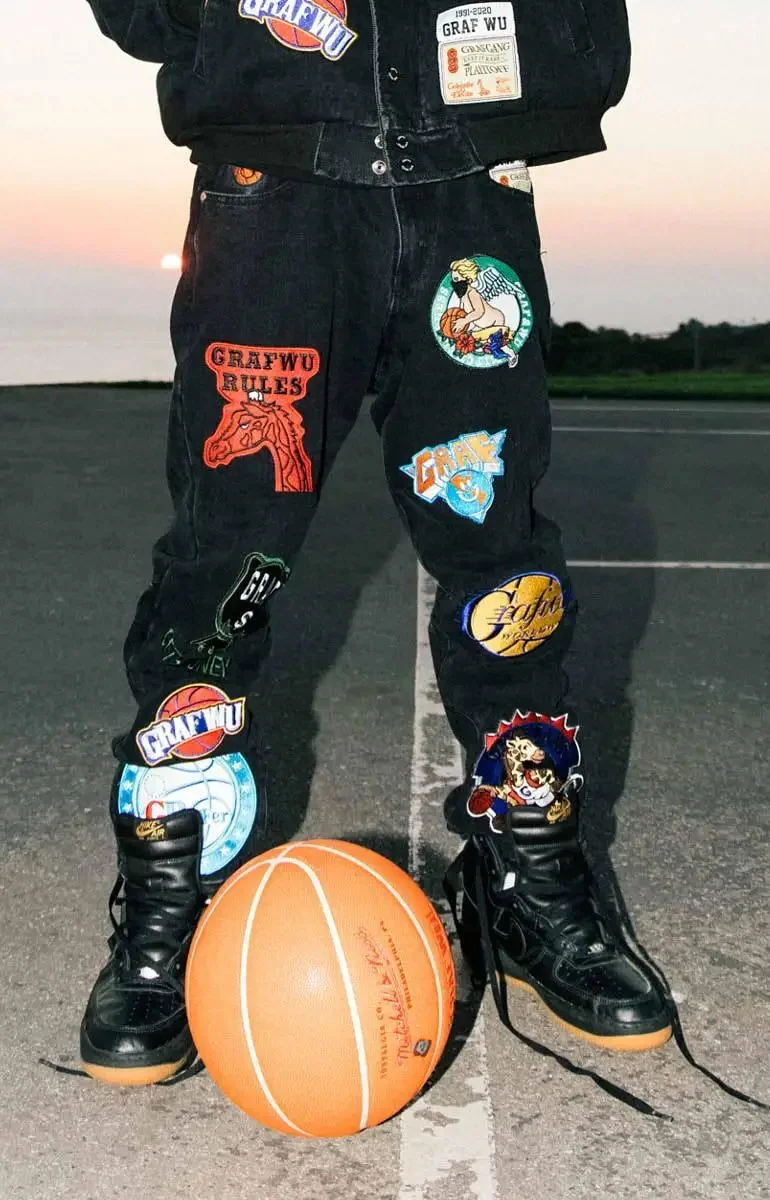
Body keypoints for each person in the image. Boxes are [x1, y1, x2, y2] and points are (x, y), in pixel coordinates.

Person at [81, 0, 673, 1088]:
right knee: (225, 557)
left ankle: (529, 873)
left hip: (470, 181)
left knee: (501, 556)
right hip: (271, 194)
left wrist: (558, 56)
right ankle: (172, 880)